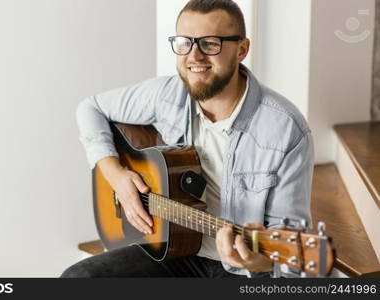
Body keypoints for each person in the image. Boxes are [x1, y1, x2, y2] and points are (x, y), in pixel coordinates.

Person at [62, 0, 314, 278]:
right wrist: (117, 175)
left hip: (241, 272)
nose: (193, 56)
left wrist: (261, 263)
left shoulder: (285, 129)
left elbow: (291, 254)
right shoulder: (168, 93)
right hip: (176, 248)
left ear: (241, 49)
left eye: (210, 43)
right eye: (184, 42)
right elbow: (91, 108)